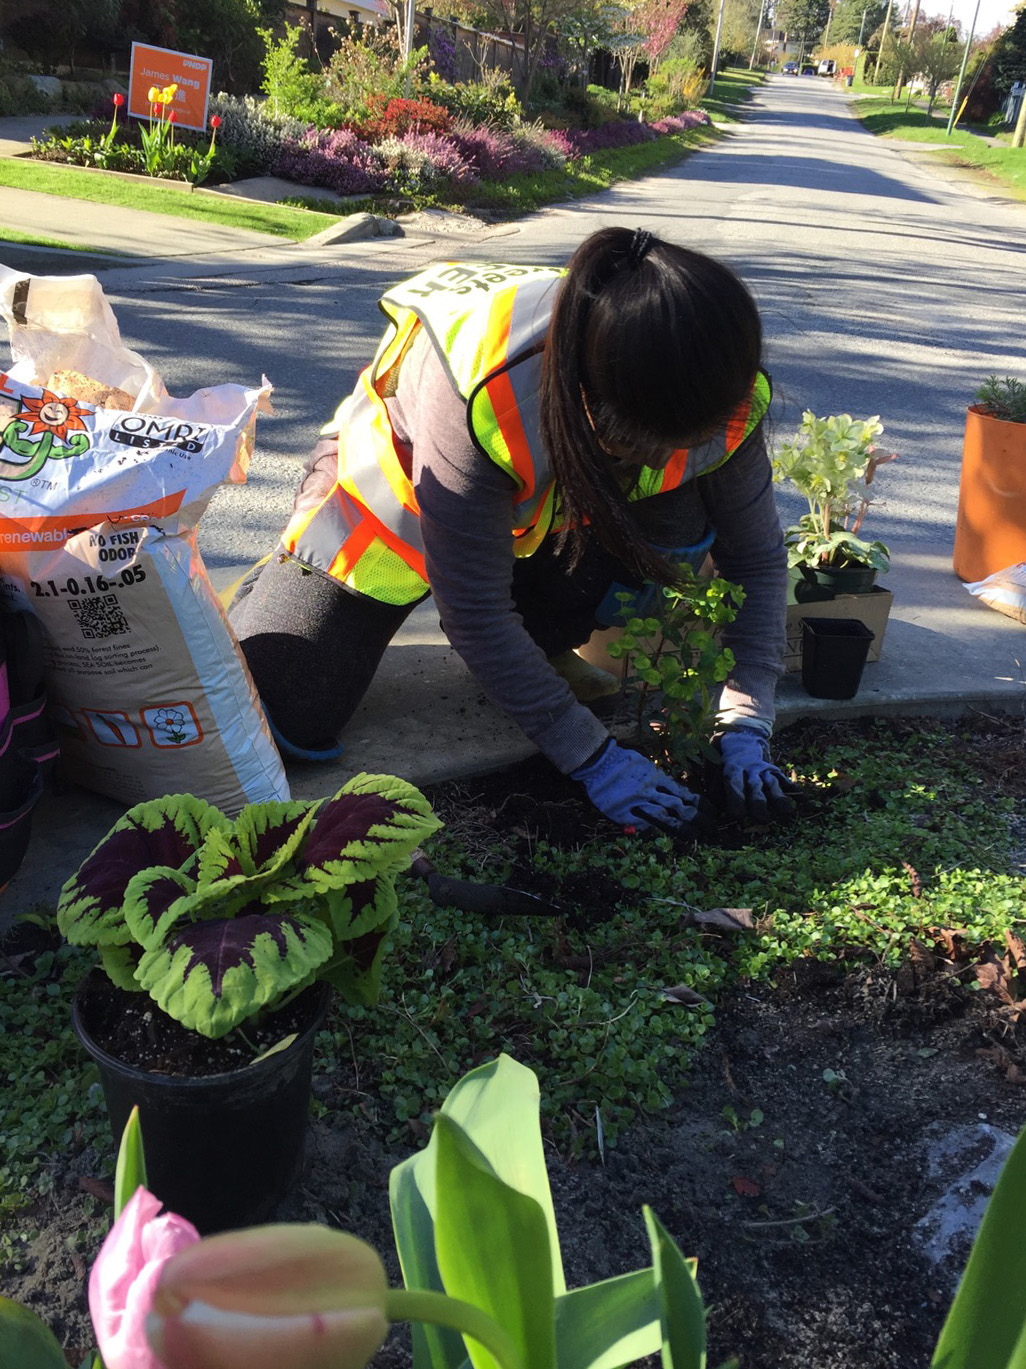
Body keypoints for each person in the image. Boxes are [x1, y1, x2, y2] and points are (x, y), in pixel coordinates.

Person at [229, 226, 795, 835]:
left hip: (540, 505)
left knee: (677, 525)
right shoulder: (485, 391)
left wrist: (746, 715)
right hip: (399, 491)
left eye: (686, 442)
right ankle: (277, 585)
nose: (662, 463)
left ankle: (550, 630)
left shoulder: (717, 393)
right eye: (639, 444)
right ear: (584, 399)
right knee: (284, 711)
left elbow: (757, 558)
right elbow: (473, 611)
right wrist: (594, 760)